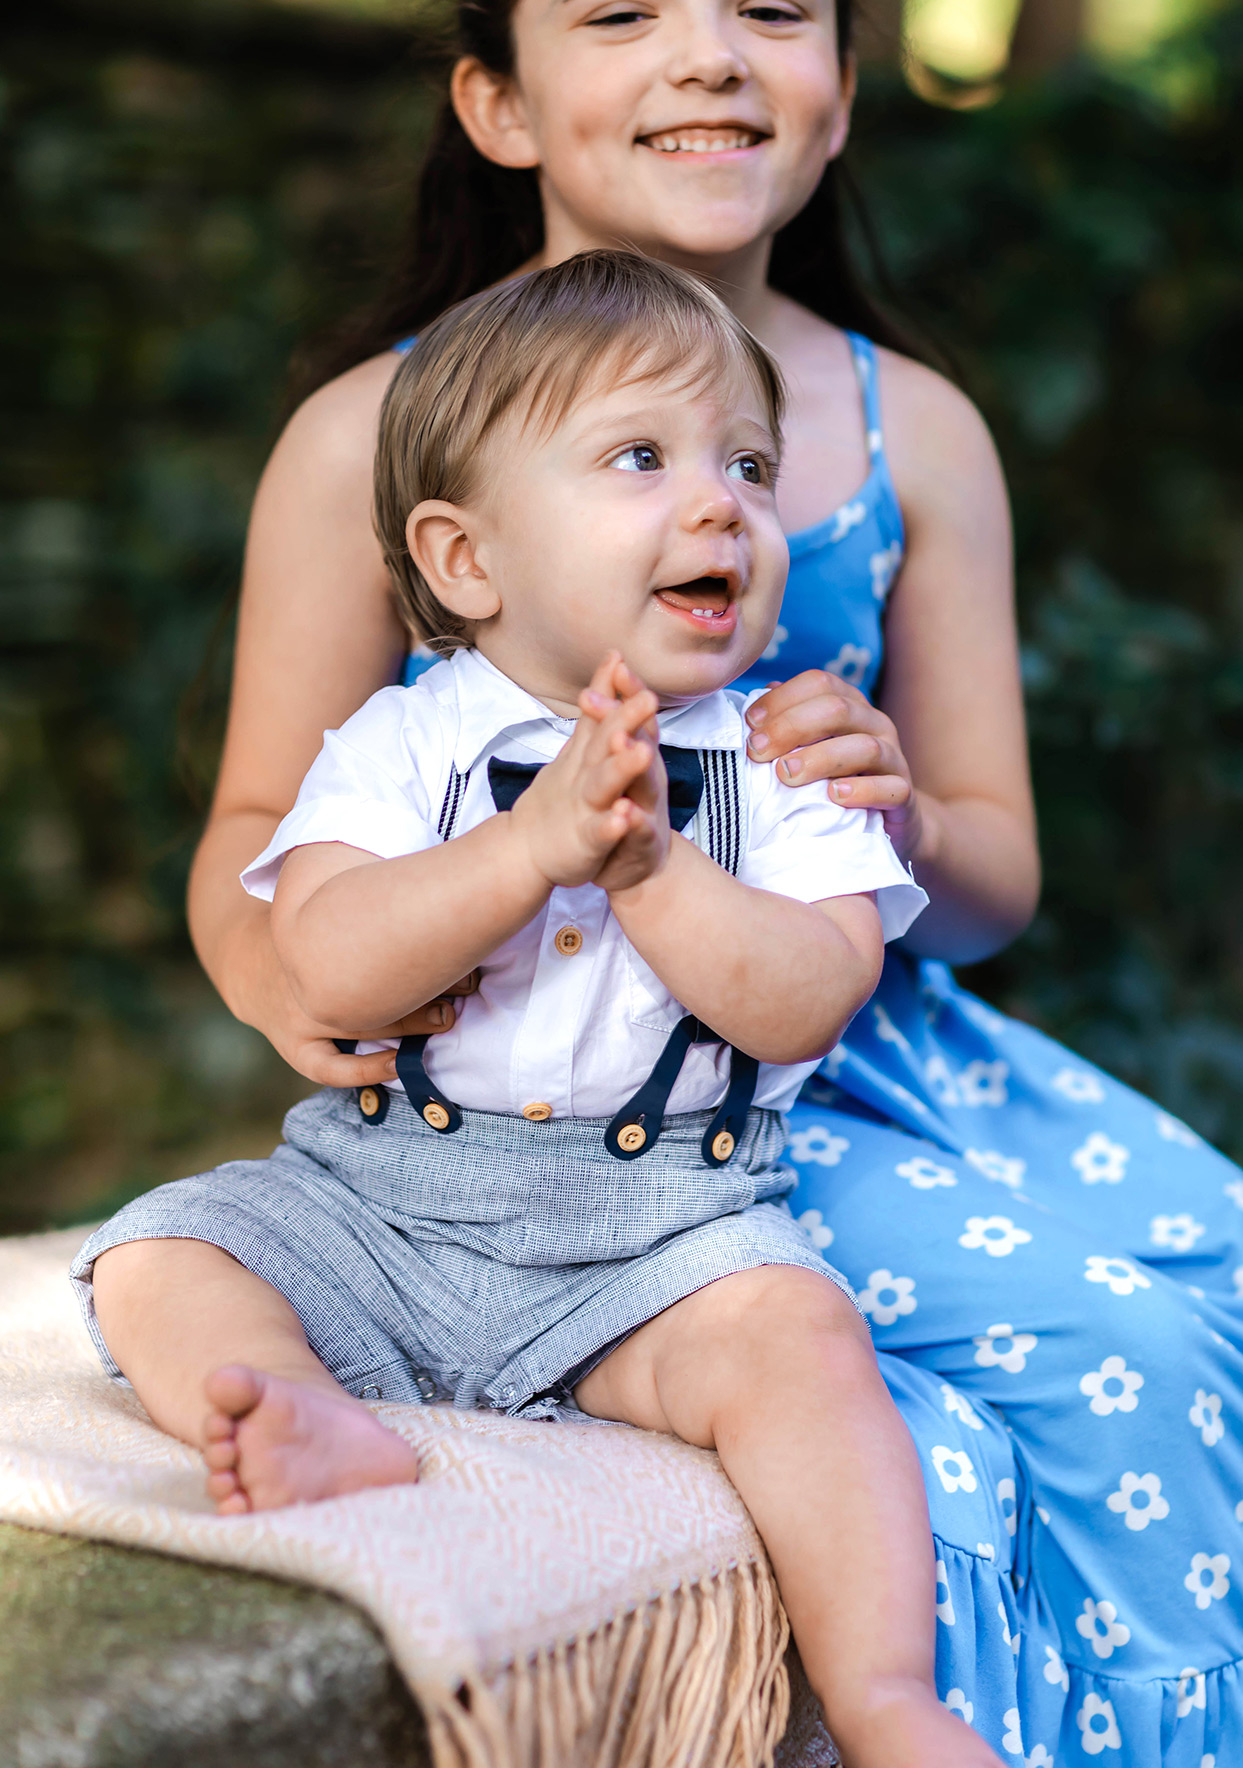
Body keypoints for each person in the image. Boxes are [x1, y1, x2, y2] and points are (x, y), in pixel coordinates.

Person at [127, 0, 1243, 1764]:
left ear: (841, 92)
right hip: (531, 1066)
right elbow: (252, 842)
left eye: (768, 7)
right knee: (1092, 1372)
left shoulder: (905, 430)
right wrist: (288, 977)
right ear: (497, 102)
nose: (706, 55)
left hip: (864, 1054)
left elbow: (996, 872)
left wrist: (902, 820)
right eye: (619, 14)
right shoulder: (370, 440)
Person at [76, 252, 1002, 1768]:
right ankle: (312, 1414)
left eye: (749, 469)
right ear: (465, 559)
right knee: (163, 1255)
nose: (721, 506)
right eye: (642, 459)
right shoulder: (397, 742)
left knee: (802, 1345)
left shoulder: (781, 761)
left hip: (659, 1239)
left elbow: (806, 998)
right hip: (381, 1204)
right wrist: (527, 847)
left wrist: (646, 868)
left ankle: (882, 1689)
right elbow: (323, 962)